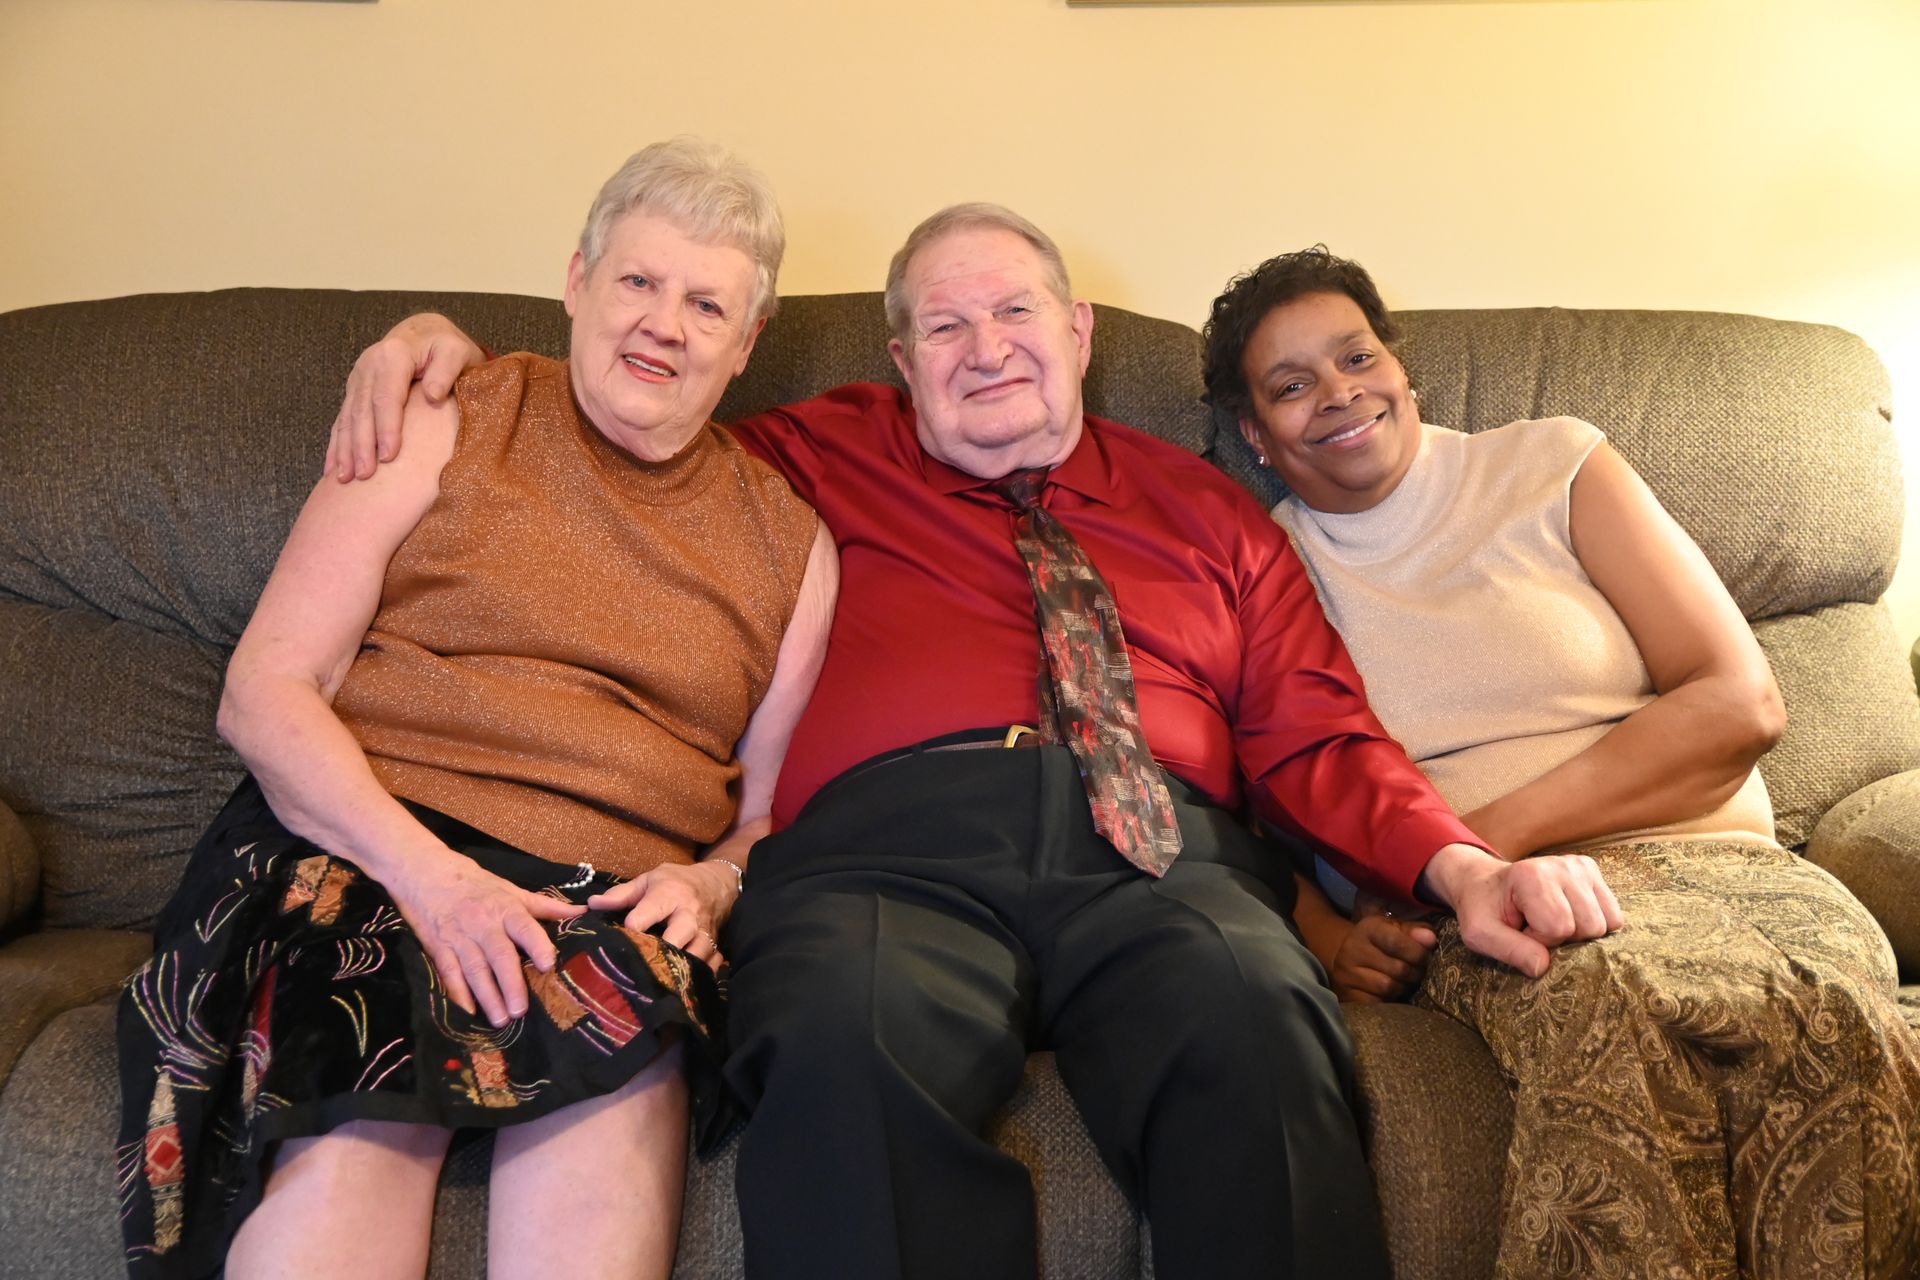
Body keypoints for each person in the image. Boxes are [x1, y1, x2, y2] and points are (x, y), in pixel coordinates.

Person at [327, 203, 1622, 1280]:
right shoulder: (799, 456)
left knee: (1259, 1028)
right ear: (902, 356)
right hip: (880, 856)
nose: (987, 348)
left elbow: (1320, 731)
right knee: (840, 1044)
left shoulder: (1212, 513)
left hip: (1163, 854)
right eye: (946, 326)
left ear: (1078, 331)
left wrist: (1463, 869)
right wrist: (449, 354)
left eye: (1015, 312)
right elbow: (621, 418)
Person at [115, 138, 838, 1280]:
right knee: (358, 1131)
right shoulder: (450, 414)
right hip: (373, 845)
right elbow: (265, 692)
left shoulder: (792, 545)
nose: (664, 324)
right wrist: (436, 882)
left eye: (707, 305)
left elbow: (765, 814)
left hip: (607, 906)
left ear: (745, 344)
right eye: (638, 280)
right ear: (577, 281)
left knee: (612, 1117)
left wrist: (714, 882)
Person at [1201, 245, 1920, 1280]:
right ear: (1256, 437)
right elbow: (1245, 804)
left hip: (1715, 868)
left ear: (1401, 368)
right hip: (1498, 919)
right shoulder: (1261, 569)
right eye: (1291, 385)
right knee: (1623, 1018)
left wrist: (1472, 851)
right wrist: (1328, 933)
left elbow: (1740, 702)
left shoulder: (1555, 465)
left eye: (1357, 357)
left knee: (1823, 1018)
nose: (1340, 393)